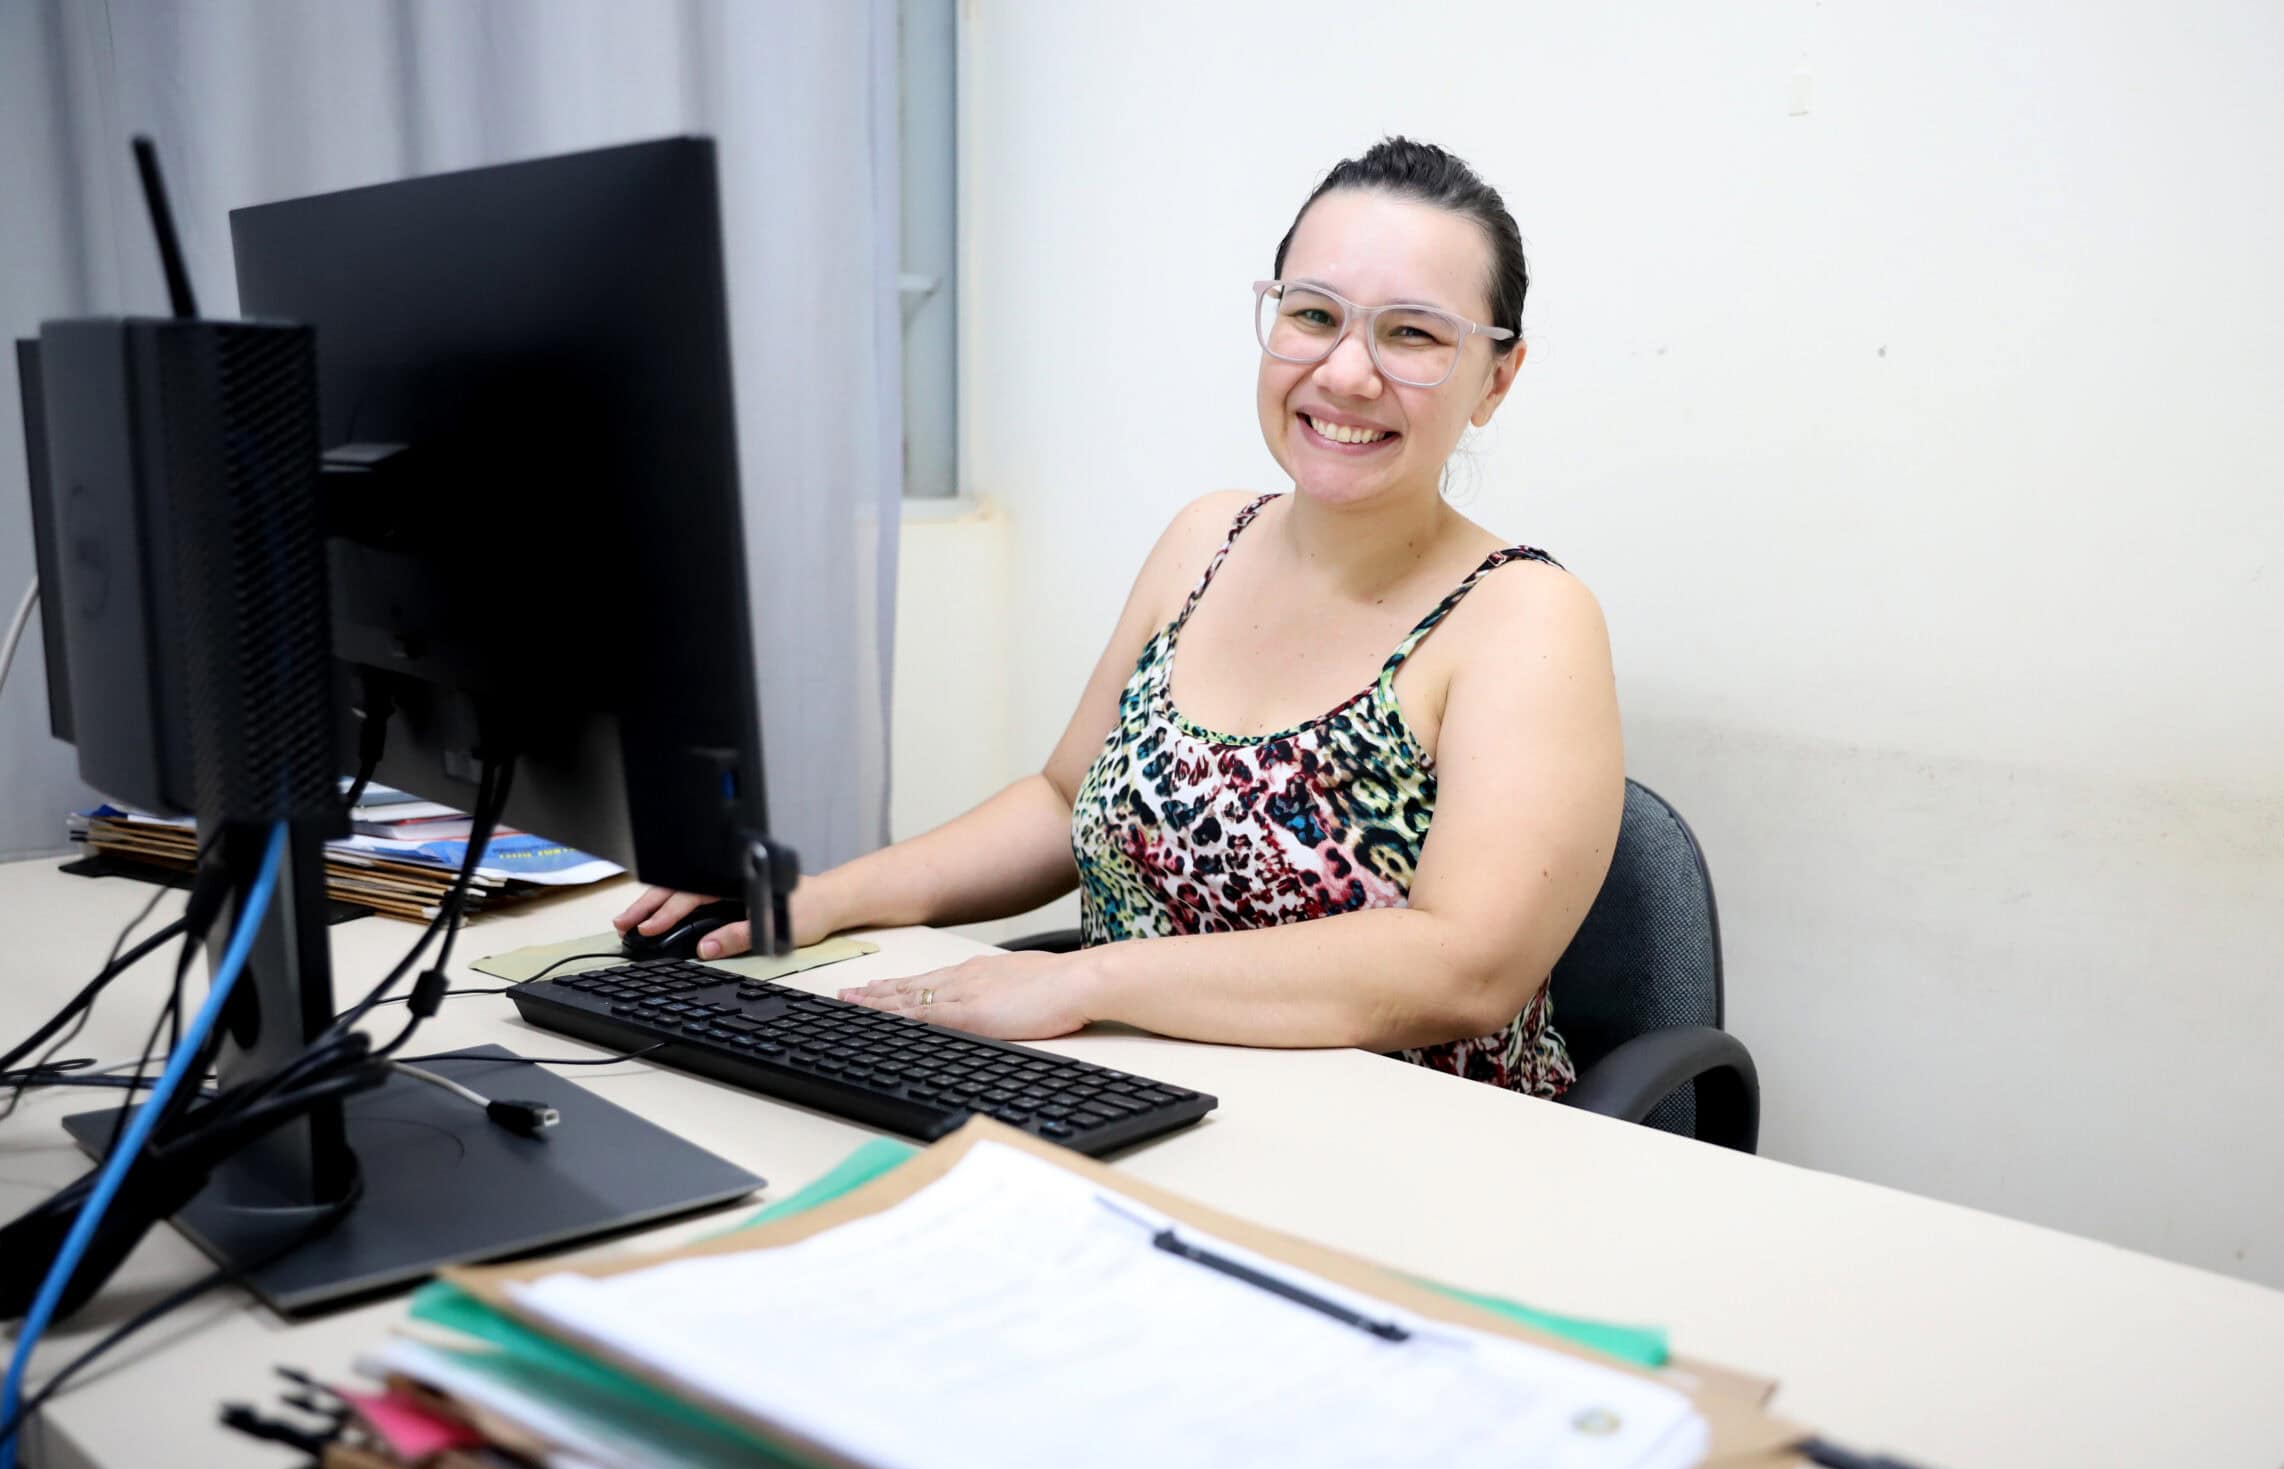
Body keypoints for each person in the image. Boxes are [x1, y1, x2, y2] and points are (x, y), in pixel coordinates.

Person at [616, 137, 1623, 1096]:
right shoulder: (1205, 539)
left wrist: (1087, 983)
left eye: (1411, 334)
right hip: (1140, 1098)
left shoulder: (1524, 617)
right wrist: (817, 897)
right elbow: (1063, 802)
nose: (1347, 372)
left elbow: (1464, 968)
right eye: (1313, 315)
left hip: (1413, 1155)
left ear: (1496, 376)